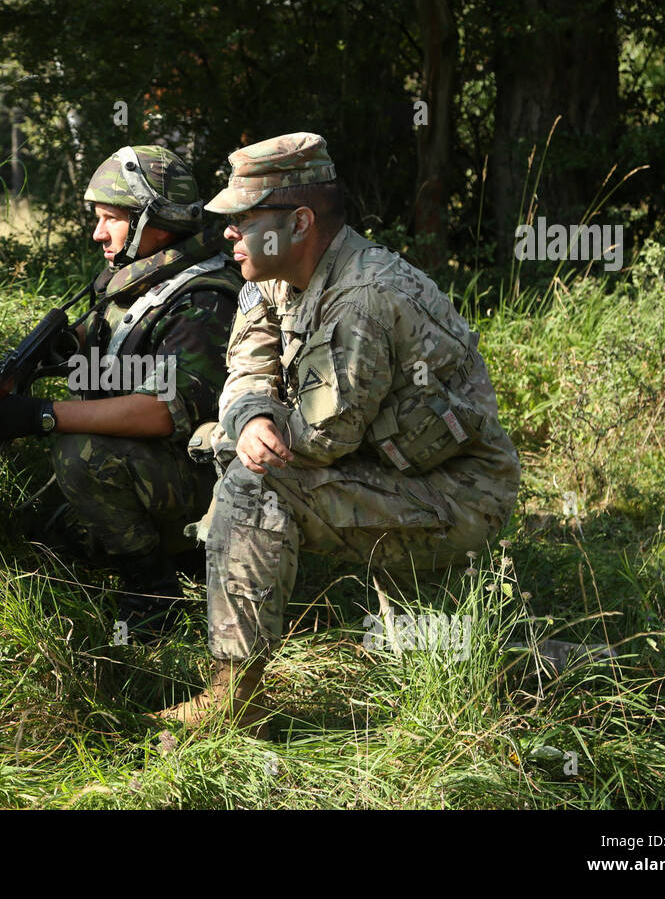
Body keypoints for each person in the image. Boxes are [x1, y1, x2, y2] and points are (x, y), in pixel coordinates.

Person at [158, 131, 521, 736]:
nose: (227, 231)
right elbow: (248, 360)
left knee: (252, 483)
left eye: (244, 218)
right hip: (387, 469)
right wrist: (248, 415)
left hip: (457, 496)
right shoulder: (269, 272)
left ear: (298, 223)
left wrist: (236, 436)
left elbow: (324, 438)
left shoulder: (364, 297)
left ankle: (231, 699)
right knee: (238, 450)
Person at [0, 144, 244, 637]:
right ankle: (144, 547)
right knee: (50, 529)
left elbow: (162, 410)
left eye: (110, 219)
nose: (99, 233)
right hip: (160, 461)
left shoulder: (202, 299)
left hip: (209, 479)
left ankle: (153, 588)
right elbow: (116, 344)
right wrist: (56, 351)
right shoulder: (143, 281)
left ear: (153, 219)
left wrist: (41, 415)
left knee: (80, 454)